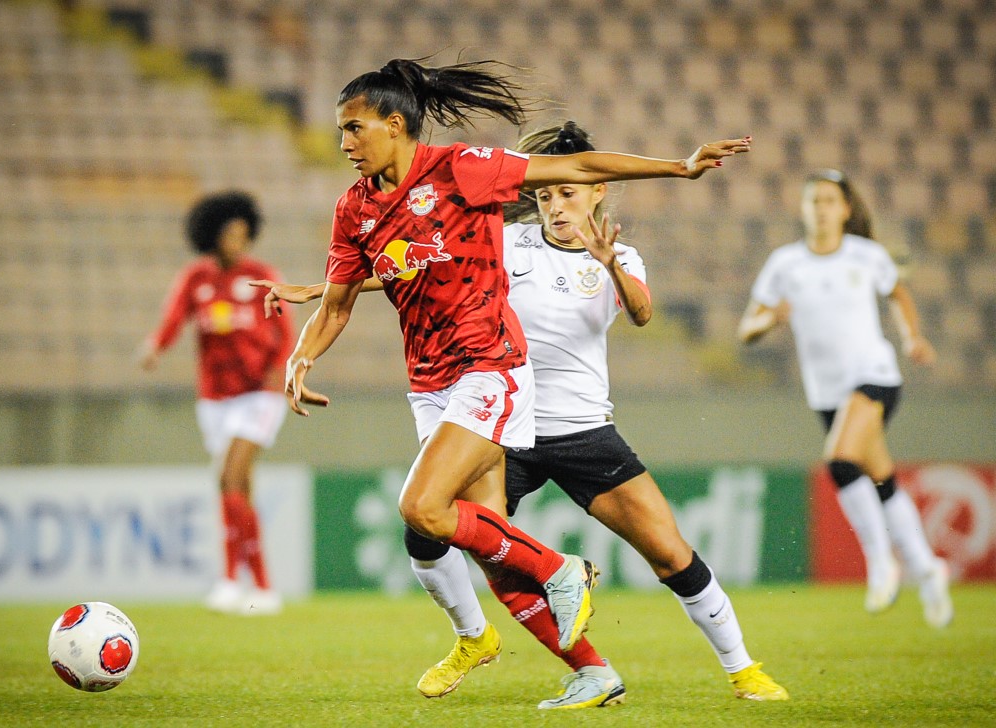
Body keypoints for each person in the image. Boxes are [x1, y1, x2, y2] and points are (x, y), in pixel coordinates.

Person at [248, 58, 751, 700]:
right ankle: (589, 670)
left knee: (422, 507)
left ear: (395, 124)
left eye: (353, 128)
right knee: (484, 541)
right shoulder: (354, 209)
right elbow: (342, 301)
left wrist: (677, 167)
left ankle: (561, 572)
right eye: (340, 131)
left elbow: (579, 167)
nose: (343, 143)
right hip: (429, 381)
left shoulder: (462, 169)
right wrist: (300, 356)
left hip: (491, 366)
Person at [737, 169, 953, 628]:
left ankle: (881, 564)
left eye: (829, 201)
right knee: (881, 477)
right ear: (804, 209)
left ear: (845, 209)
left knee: (839, 460)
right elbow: (746, 328)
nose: (821, 209)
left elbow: (898, 293)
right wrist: (766, 322)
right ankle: (928, 569)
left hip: (874, 377)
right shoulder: (785, 264)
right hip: (827, 392)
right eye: (813, 201)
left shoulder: (866, 255)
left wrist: (912, 337)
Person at [139, 191, 293, 616]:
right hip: (215, 400)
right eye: (230, 233)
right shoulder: (196, 279)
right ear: (212, 236)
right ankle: (259, 587)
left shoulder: (262, 276)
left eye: (244, 233)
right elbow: (173, 319)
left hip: (259, 394)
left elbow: (286, 335)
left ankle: (235, 580)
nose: (237, 241)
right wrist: (156, 345)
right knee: (236, 488)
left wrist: (279, 378)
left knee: (229, 476)